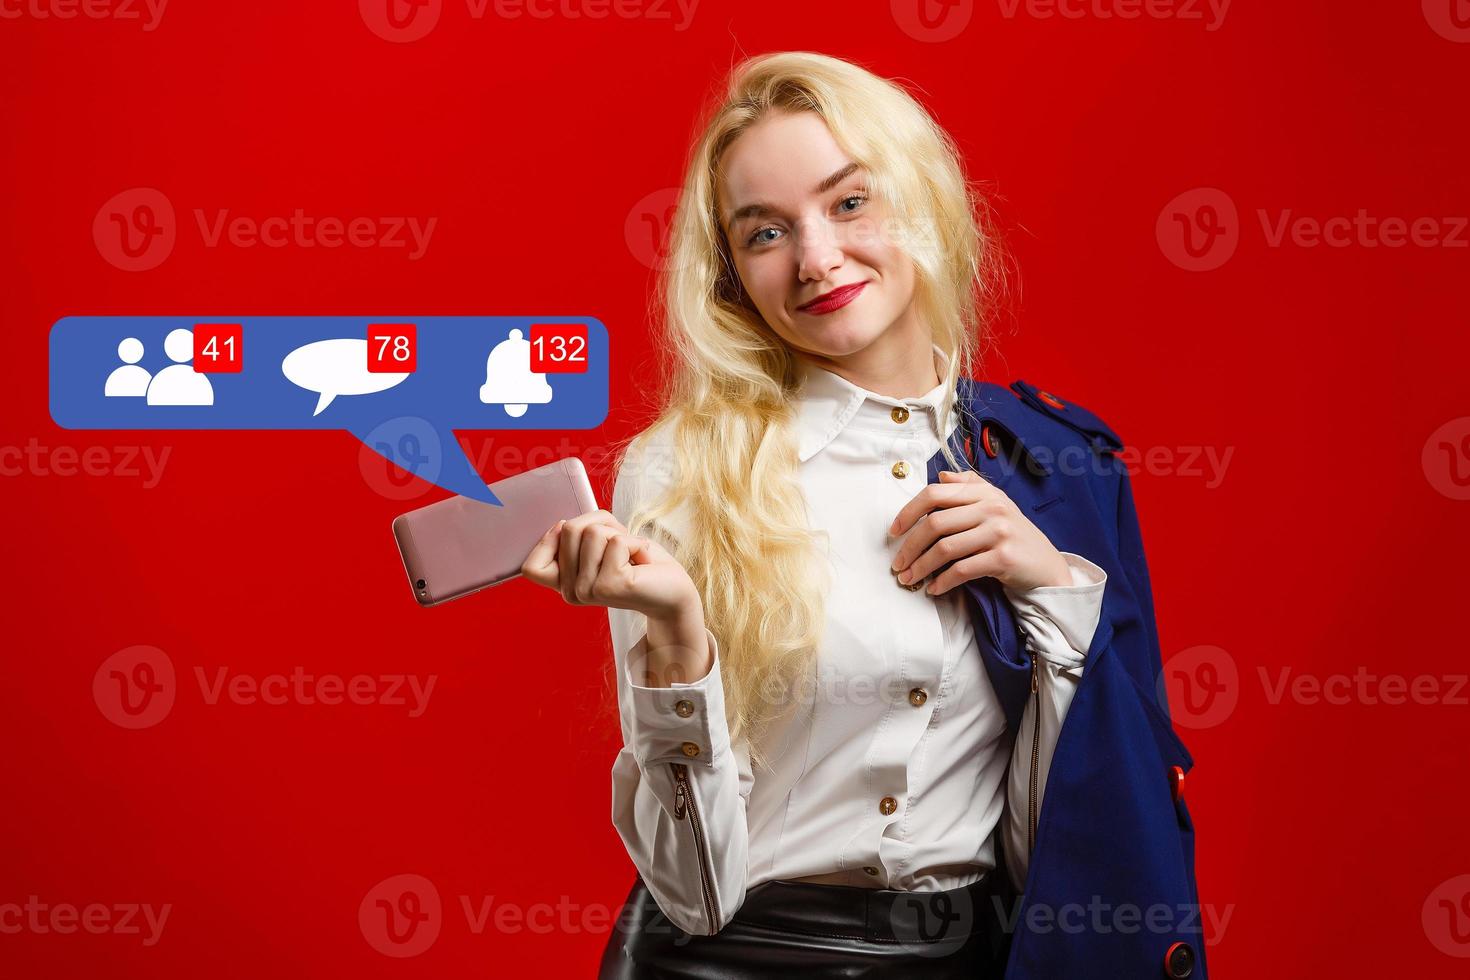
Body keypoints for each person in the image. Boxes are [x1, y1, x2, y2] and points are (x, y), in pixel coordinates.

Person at [520, 51, 1204, 979]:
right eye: (764, 234)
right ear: (731, 277)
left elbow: (1085, 840)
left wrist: (1050, 587)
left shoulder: (1059, 466)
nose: (816, 258)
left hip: (974, 958)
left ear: (921, 200)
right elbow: (693, 893)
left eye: (849, 204)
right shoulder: (686, 470)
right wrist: (678, 644)